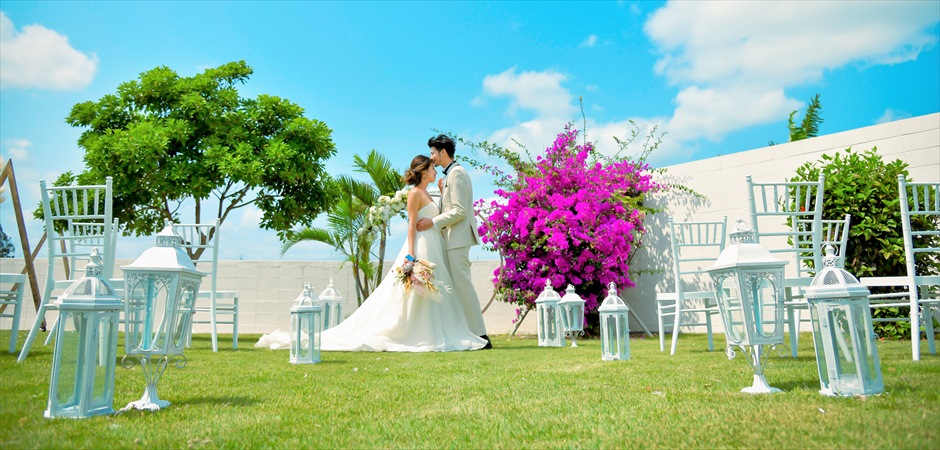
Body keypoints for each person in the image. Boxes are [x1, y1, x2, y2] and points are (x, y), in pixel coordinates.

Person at [319, 155, 487, 352]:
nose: (435, 171)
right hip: (422, 245)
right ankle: (418, 331)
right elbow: (411, 225)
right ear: (424, 171)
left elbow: (439, 215)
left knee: (435, 288)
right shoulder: (415, 193)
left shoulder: (427, 193)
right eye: (432, 168)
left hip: (435, 244)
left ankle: (437, 329)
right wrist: (411, 254)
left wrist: (442, 193)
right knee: (419, 291)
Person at [416, 134, 492, 349]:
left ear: (443, 152)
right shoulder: (449, 175)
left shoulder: (457, 173)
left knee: (463, 286)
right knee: (456, 287)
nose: (431, 158)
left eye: (433, 153)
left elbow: (460, 211)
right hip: (451, 239)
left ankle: (481, 336)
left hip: (457, 238)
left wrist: (432, 222)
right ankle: (468, 333)